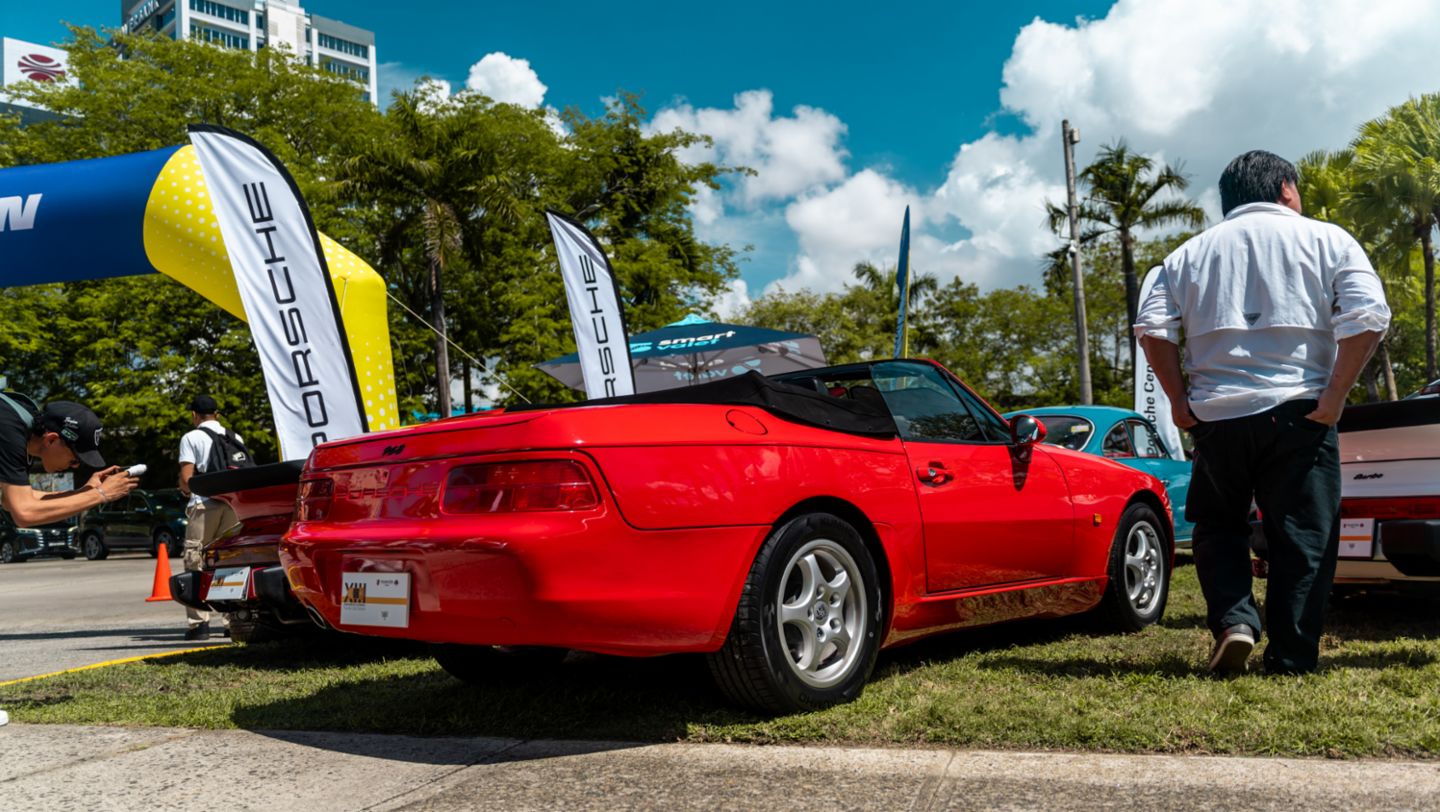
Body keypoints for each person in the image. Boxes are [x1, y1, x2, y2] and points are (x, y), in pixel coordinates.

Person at [1135, 150, 1390, 676]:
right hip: (1303, 411)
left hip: (1219, 417)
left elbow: (1151, 326)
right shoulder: (1328, 239)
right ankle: (1292, 656)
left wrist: (1179, 401)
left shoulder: (1187, 254)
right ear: (1287, 189)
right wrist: (1336, 395)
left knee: (1218, 526)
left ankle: (1235, 623)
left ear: (1228, 201)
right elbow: (1368, 316)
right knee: (1304, 536)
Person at [0, 395, 137, 728]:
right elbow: (24, 513)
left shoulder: (16, 424)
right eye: (76, 459)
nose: (76, 467)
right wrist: (99, 495)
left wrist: (84, 493)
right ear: (51, 439)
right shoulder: (8, 428)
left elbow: (18, 500)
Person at [176, 395, 241, 641]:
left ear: (194, 415)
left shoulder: (191, 437)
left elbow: (186, 478)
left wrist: (183, 490)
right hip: (232, 505)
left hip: (204, 504)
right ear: (218, 414)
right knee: (228, 561)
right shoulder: (234, 437)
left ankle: (199, 624)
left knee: (195, 559)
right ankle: (232, 621)